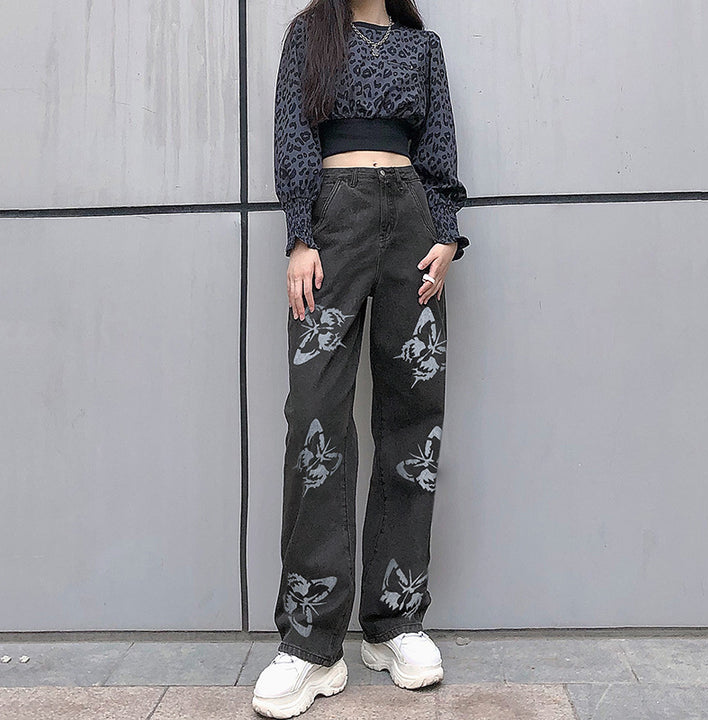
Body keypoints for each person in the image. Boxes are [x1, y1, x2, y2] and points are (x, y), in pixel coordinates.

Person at [253, 0, 469, 716]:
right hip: (333, 223)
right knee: (316, 418)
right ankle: (312, 644)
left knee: (414, 421)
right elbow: (292, 133)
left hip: (412, 225)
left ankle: (394, 619)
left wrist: (448, 235)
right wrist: (299, 235)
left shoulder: (422, 47)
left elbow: (437, 147)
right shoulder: (309, 34)